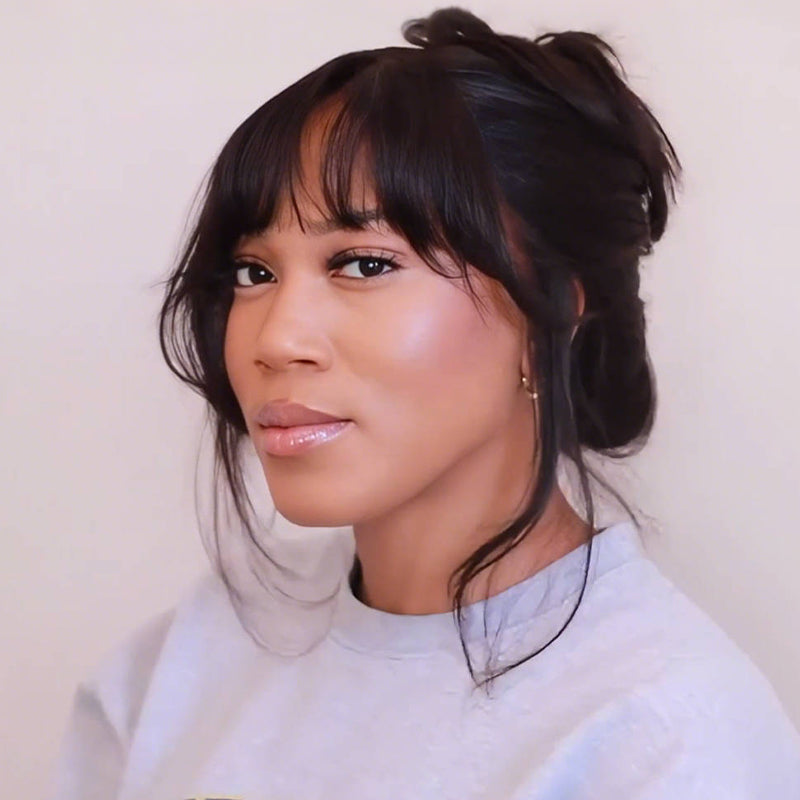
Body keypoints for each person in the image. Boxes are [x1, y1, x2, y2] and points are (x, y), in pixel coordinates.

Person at [48, 7, 800, 799]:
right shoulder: (192, 657)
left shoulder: (664, 739)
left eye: (364, 264)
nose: (276, 339)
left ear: (551, 312)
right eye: (253, 273)